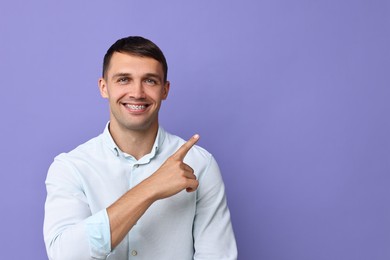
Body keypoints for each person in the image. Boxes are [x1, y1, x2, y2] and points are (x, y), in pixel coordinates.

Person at [43, 36, 237, 260]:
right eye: (124, 79)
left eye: (150, 81)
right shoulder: (71, 167)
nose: (137, 92)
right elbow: (66, 256)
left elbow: (217, 255)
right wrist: (151, 187)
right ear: (104, 87)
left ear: (165, 90)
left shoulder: (200, 164)